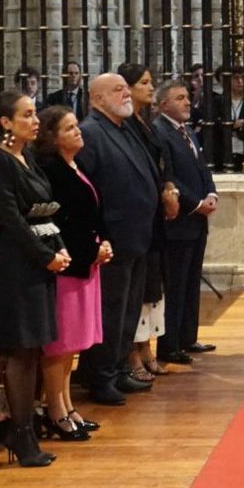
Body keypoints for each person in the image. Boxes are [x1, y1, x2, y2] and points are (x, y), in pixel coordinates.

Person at [0, 90, 69, 467]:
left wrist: (60, 249)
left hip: (39, 262)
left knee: (34, 348)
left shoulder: (26, 156)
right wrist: (46, 256)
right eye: (28, 115)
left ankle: (25, 427)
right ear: (5, 123)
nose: (36, 121)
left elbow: (45, 211)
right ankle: (20, 432)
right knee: (21, 349)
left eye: (34, 114)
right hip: (18, 267)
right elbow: (12, 220)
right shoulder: (0, 162)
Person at [75, 74, 158, 406]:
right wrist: (98, 237)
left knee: (126, 312)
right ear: (97, 99)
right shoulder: (92, 133)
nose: (126, 93)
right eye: (118, 90)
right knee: (110, 311)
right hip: (112, 239)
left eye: (126, 88)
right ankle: (101, 377)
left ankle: (117, 367)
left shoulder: (124, 128)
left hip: (135, 237)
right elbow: (86, 191)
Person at [34, 106, 111, 443]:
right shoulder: (52, 170)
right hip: (68, 263)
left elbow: (92, 212)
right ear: (52, 137)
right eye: (69, 128)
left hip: (85, 260)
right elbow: (61, 223)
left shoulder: (74, 165)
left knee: (72, 345)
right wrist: (89, 250)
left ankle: (67, 404)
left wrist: (103, 243)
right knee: (60, 343)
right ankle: (56, 410)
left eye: (77, 126)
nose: (78, 132)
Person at [152, 80, 218, 366]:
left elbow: (201, 167)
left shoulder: (187, 130)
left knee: (192, 282)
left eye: (187, 97)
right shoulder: (160, 132)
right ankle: (170, 345)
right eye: (180, 98)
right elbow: (170, 177)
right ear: (164, 104)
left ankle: (188, 336)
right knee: (176, 285)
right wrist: (196, 204)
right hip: (179, 222)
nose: (187, 102)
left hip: (197, 221)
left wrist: (212, 193)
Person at [118, 64, 172, 382]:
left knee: (151, 285)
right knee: (136, 292)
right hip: (136, 216)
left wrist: (167, 187)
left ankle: (146, 346)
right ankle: (132, 353)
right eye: (144, 83)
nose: (151, 88)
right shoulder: (127, 125)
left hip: (152, 214)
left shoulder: (147, 122)